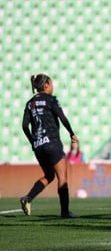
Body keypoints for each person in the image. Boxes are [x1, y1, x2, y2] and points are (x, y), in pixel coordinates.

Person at [21, 73, 79, 218]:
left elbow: (24, 126)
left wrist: (32, 141)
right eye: (51, 84)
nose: (52, 87)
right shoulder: (50, 100)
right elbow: (62, 117)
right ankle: (65, 212)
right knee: (62, 177)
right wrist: (71, 133)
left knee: (49, 175)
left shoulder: (30, 103)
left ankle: (28, 198)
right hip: (52, 142)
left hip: (39, 145)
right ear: (46, 85)